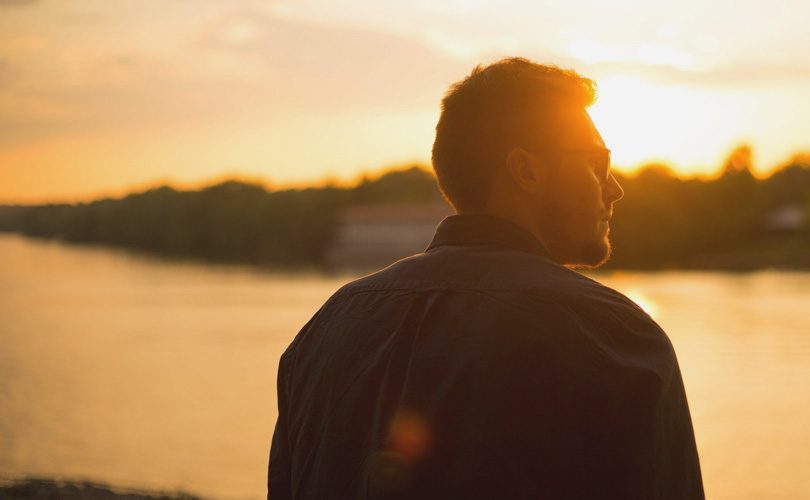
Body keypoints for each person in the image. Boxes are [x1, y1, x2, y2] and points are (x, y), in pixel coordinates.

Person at [268, 57, 705, 499]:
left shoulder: (324, 331)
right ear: (526, 171)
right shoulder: (613, 337)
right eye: (597, 163)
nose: (615, 188)